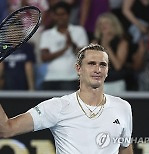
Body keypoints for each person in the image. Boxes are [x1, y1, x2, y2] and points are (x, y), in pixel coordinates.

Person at [0, 44, 133, 154]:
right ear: (78, 69)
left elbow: (125, 148)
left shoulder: (122, 107)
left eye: (102, 65)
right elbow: (7, 129)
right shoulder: (57, 107)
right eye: (91, 64)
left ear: (107, 70)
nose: (97, 69)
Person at [40, 1, 88, 90]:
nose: (60, 17)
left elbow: (83, 57)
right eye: (57, 14)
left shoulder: (79, 31)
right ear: (53, 16)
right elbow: (44, 57)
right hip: (50, 79)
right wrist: (65, 48)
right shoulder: (46, 34)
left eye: (63, 14)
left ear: (69, 15)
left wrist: (72, 44)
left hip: (71, 78)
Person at [93, 12, 129, 94]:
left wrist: (107, 47)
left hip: (116, 82)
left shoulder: (122, 42)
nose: (103, 26)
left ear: (114, 25)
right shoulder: (95, 43)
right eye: (101, 23)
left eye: (106, 23)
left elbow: (118, 66)